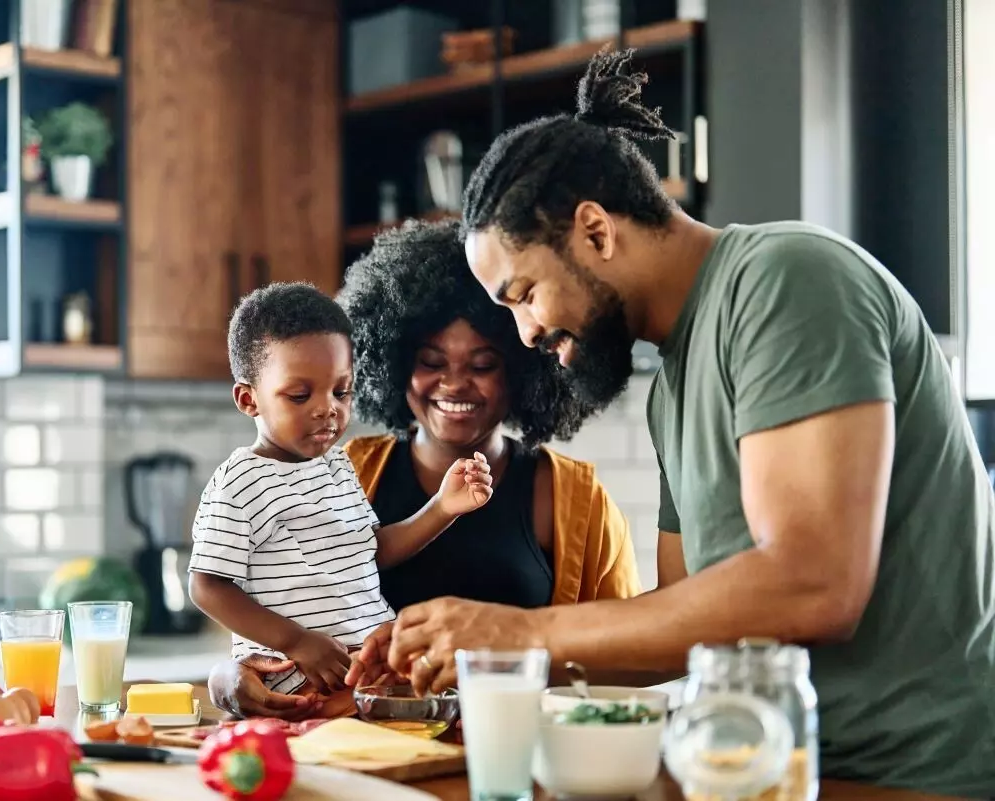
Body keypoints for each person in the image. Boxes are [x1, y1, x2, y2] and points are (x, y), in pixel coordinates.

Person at [387, 50, 995, 797]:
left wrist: (522, 634)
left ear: (596, 232)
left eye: (523, 294)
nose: (525, 335)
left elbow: (815, 583)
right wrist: (474, 660)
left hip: (905, 777)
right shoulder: (669, 390)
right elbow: (675, 633)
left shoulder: (789, 281)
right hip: (762, 767)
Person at [206, 220, 643, 720]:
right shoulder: (337, 473)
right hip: (359, 755)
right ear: (392, 361)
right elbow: (266, 616)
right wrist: (226, 678)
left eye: (482, 365)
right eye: (432, 361)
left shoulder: (575, 501)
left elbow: (622, 661)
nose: (454, 384)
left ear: (523, 369)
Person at [187, 282, 493, 700]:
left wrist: (443, 507)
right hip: (301, 683)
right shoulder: (243, 479)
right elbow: (207, 586)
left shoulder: (335, 464)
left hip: (366, 676)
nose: (327, 408)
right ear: (248, 399)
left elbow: (369, 549)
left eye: (341, 391)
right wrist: (296, 642)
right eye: (299, 395)